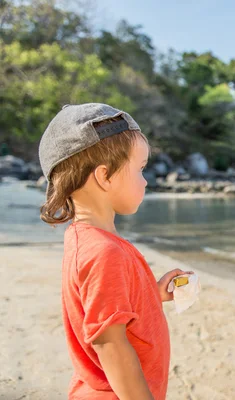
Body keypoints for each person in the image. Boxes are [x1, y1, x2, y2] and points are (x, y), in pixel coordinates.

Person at [39, 103, 194, 399]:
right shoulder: (103, 252)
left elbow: (102, 305)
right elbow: (109, 343)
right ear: (105, 176)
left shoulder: (85, 239)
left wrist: (152, 293)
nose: (146, 180)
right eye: (140, 169)